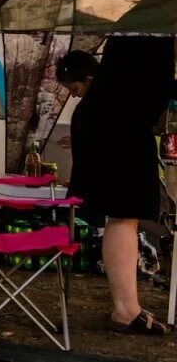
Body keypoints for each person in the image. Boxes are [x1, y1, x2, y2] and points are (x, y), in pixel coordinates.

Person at [57, 42, 174, 336]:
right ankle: (125, 309)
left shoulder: (139, 22)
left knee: (122, 217)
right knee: (123, 216)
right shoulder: (152, 24)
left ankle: (126, 306)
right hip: (122, 129)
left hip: (117, 125)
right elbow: (151, 85)